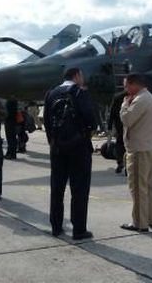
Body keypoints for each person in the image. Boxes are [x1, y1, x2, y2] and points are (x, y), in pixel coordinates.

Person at [43, 68, 97, 240]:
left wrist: (53, 142)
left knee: (57, 188)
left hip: (57, 148)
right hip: (78, 147)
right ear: (77, 76)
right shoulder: (79, 93)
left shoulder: (51, 93)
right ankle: (79, 229)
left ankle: (56, 226)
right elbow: (91, 120)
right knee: (79, 189)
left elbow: (46, 120)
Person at [119, 73, 152, 233]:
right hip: (149, 147)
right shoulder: (148, 97)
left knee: (137, 187)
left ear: (134, 84)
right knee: (148, 186)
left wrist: (124, 105)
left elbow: (127, 120)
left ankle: (139, 223)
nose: (125, 90)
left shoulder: (140, 99)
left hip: (139, 150)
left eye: (126, 86)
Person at [107, 90, 127, 174]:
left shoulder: (117, 97)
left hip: (120, 127)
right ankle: (127, 166)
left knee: (119, 145)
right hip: (130, 126)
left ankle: (120, 162)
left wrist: (109, 126)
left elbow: (112, 113)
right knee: (128, 147)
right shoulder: (135, 97)